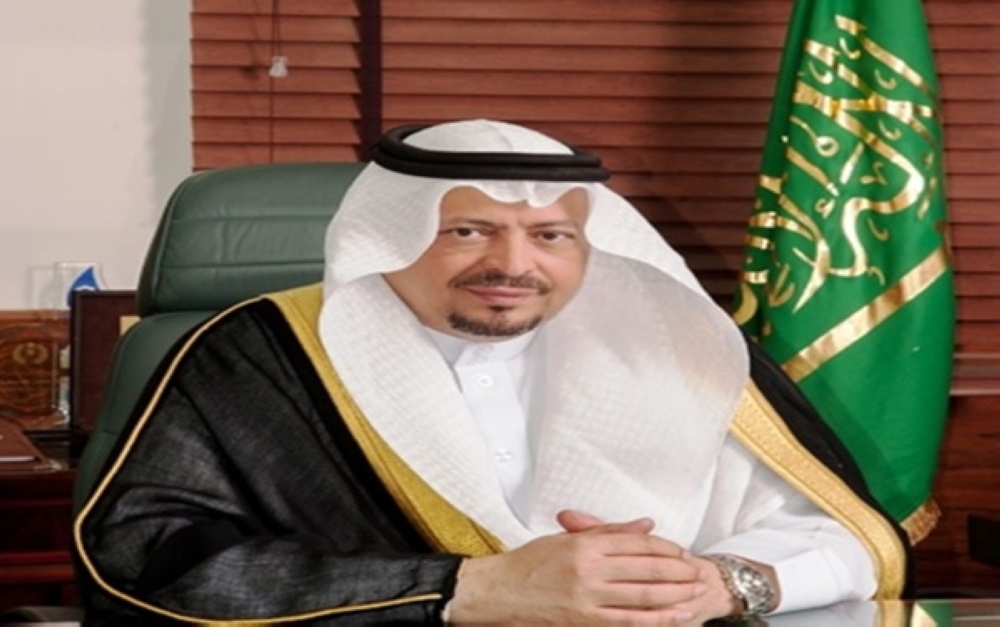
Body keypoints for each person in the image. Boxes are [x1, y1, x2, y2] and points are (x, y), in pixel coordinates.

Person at [75, 119, 910, 624]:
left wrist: (718, 585)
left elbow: (845, 538)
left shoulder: (676, 343)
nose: (513, 264)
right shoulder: (263, 353)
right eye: (468, 231)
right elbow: (143, 563)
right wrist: (465, 589)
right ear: (391, 235)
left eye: (551, 236)